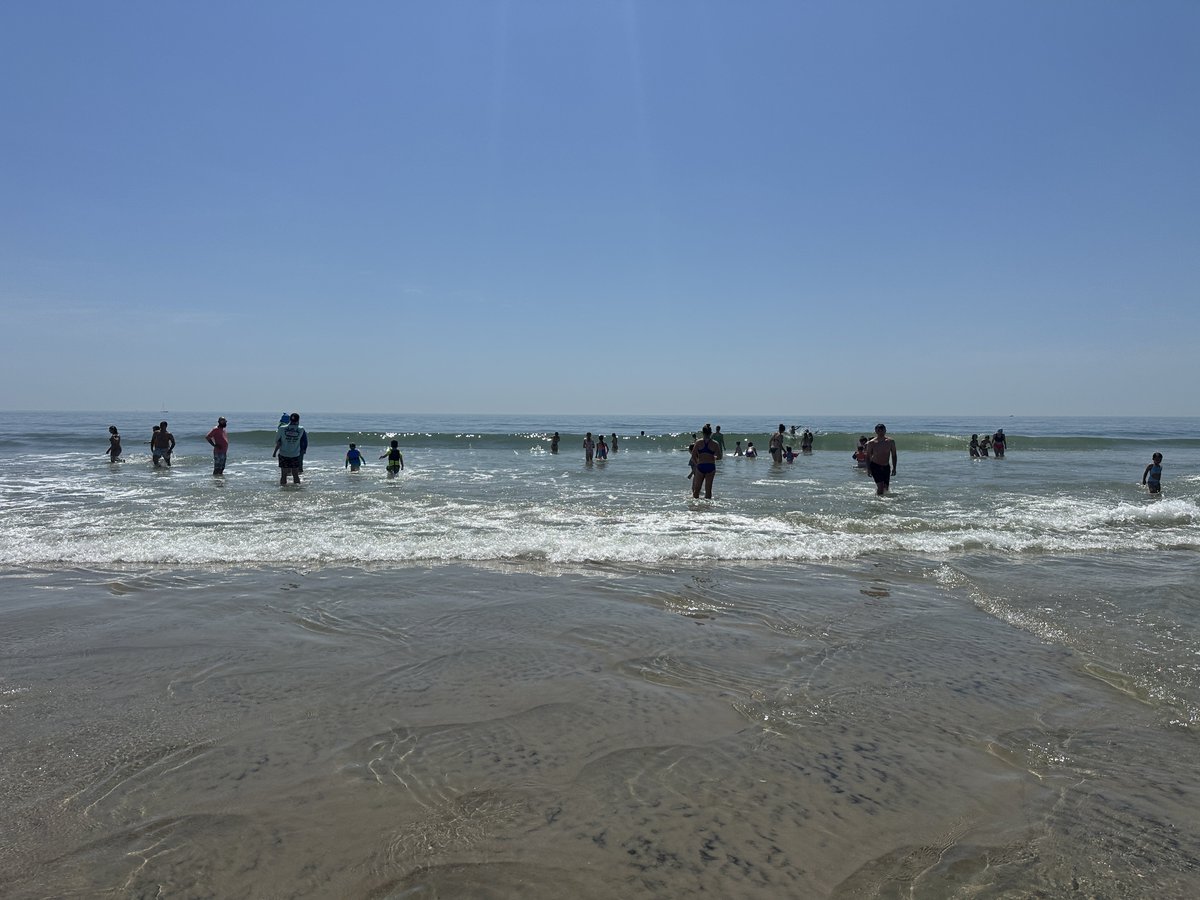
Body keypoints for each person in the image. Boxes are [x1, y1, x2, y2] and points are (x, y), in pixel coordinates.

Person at [689, 423, 723, 499]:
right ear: (711, 433)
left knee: (696, 490)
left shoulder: (698, 442)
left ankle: (695, 506)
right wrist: (713, 457)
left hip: (701, 466)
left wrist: (696, 464)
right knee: (708, 490)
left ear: (702, 433)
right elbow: (720, 457)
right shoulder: (715, 443)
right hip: (711, 467)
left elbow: (693, 456)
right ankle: (707, 508)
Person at [273, 413, 306, 485]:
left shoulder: (282, 428)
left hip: (283, 454)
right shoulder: (301, 429)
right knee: (295, 475)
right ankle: (297, 490)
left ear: (289, 419)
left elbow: (277, 440)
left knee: (284, 475)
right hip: (295, 454)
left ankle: (283, 491)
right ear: (298, 420)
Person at [865, 423, 897, 495]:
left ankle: (882, 500)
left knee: (886, 488)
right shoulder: (871, 443)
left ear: (885, 430)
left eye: (882, 430)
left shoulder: (890, 442)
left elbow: (894, 455)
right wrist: (868, 469)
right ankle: (879, 503)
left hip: (886, 466)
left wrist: (894, 468)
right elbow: (867, 457)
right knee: (880, 487)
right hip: (875, 466)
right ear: (876, 431)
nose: (880, 432)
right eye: (878, 430)